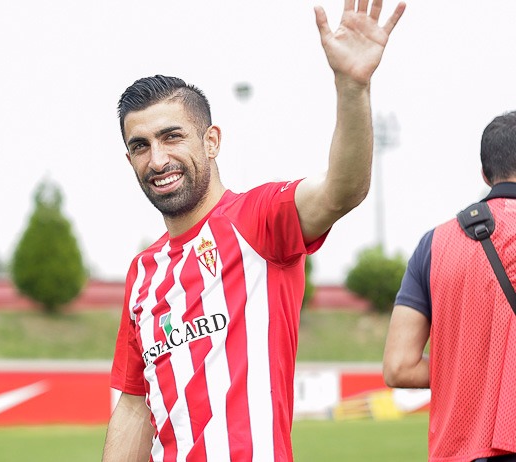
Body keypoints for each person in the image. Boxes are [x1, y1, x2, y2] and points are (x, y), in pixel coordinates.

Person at [102, 1, 405, 460]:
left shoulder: (258, 220)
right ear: (129, 161)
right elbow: (131, 407)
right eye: (140, 146)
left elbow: (342, 190)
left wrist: (352, 86)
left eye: (172, 136)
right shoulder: (143, 274)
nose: (157, 159)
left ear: (211, 140)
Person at [383, 111, 516, 462]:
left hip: (460, 450)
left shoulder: (435, 244)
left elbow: (399, 365)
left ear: (485, 174)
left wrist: (474, 369)